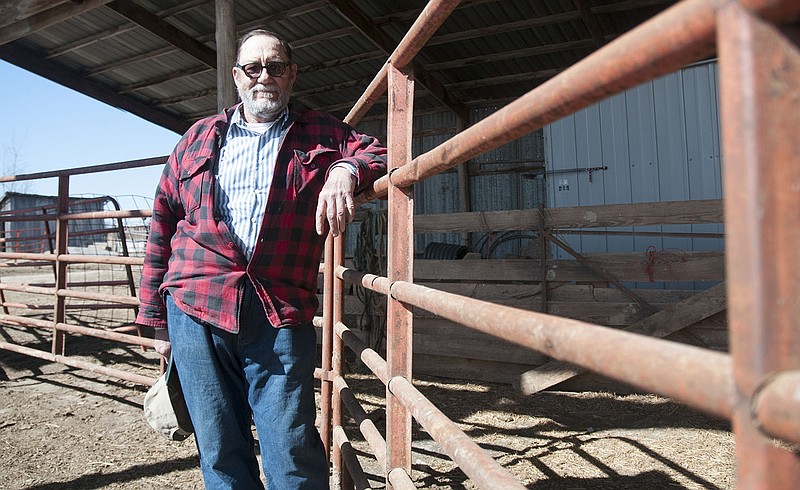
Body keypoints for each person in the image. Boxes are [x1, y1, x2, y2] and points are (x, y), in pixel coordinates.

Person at [136, 28, 387, 489]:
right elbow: (162, 225)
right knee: (218, 445)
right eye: (254, 68)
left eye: (276, 66)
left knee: (291, 444)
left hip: (278, 309)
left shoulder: (321, 132)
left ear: (291, 74)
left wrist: (345, 169)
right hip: (195, 306)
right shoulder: (197, 138)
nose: (264, 76)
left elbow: (378, 150)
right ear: (237, 77)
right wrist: (156, 321)